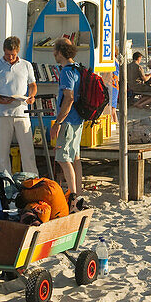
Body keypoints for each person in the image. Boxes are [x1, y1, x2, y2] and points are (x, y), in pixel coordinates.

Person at [0, 36, 38, 177]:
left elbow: (32, 85)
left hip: (22, 112)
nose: (10, 57)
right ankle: (5, 182)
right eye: (7, 54)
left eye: (13, 55)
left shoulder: (26, 65)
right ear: (4, 51)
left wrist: (31, 96)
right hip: (2, 114)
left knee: (28, 152)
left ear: (18, 51)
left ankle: (33, 180)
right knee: (2, 153)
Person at [49, 38, 84, 195]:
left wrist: (58, 123)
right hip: (78, 119)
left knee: (63, 159)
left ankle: (72, 195)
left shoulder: (66, 71)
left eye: (55, 50)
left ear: (59, 52)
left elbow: (68, 98)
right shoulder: (78, 68)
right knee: (75, 157)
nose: (53, 53)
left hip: (68, 120)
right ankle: (78, 192)